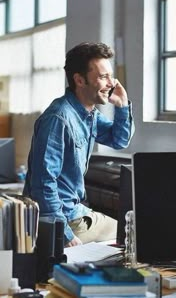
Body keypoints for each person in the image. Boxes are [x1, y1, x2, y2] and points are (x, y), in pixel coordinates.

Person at [23, 41, 135, 247]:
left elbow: (119, 140)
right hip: (62, 219)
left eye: (111, 75)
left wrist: (121, 106)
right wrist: (64, 235)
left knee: (132, 231)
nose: (112, 83)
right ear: (79, 80)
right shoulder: (59, 118)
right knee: (132, 236)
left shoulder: (88, 113)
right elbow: (43, 184)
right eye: (103, 77)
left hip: (76, 211)